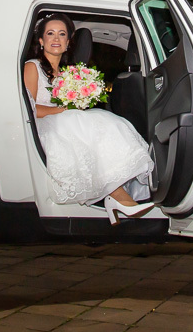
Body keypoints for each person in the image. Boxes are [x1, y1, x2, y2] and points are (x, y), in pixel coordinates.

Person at [22, 13, 155, 224]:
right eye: (50, 33)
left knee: (109, 123)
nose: (56, 38)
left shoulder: (68, 73)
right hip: (44, 125)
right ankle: (118, 198)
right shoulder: (32, 66)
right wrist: (63, 110)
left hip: (64, 122)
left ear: (67, 43)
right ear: (41, 41)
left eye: (62, 34)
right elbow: (27, 109)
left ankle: (117, 196)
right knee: (90, 122)